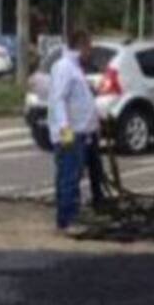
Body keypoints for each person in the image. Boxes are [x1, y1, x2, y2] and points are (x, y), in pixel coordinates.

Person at [48, 29, 98, 232]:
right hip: (70, 133)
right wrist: (65, 130)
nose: (91, 52)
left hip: (79, 132)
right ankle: (68, 219)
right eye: (89, 47)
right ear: (81, 46)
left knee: (73, 175)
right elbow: (58, 100)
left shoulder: (74, 67)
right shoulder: (65, 67)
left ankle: (69, 216)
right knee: (69, 176)